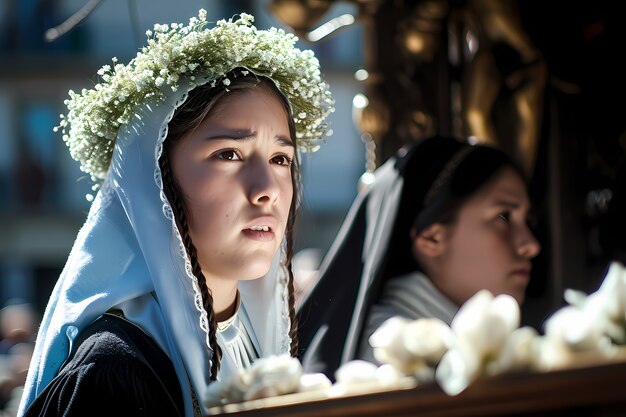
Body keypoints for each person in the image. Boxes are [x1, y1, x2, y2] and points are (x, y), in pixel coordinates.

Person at [18, 10, 334, 417]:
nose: (267, 191)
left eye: (279, 158)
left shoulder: (254, 338)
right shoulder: (112, 372)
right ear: (156, 183)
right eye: (229, 154)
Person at [297, 135, 540, 377]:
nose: (530, 245)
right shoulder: (391, 361)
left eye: (527, 221)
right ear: (433, 238)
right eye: (503, 217)